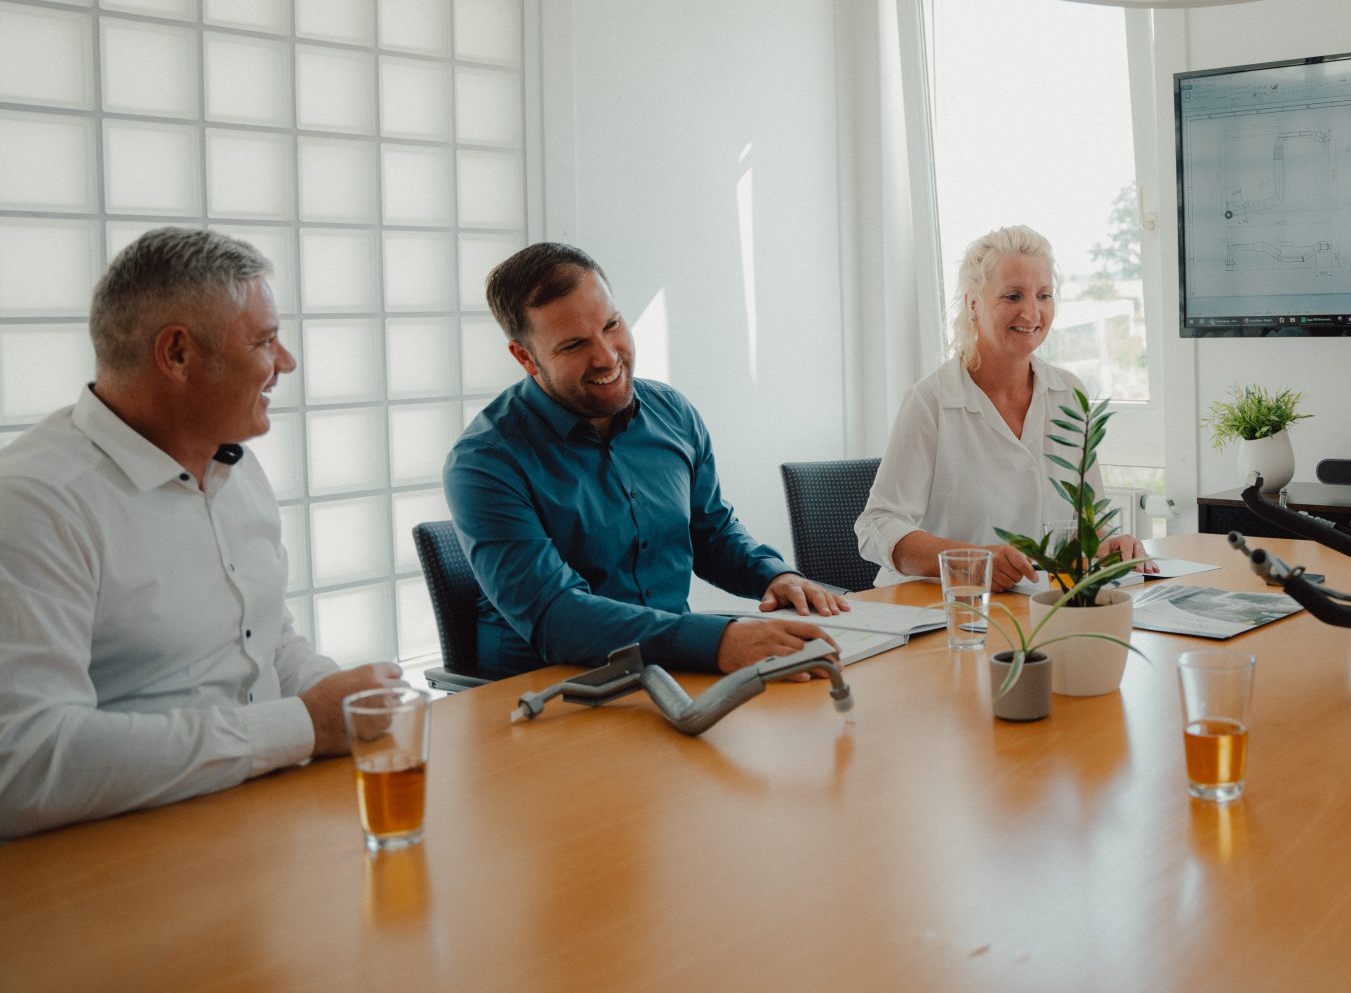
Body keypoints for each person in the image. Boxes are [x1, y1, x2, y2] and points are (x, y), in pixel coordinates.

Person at [0, 228, 398, 840]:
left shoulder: (235, 465)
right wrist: (303, 727)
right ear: (177, 355)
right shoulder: (36, 502)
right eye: (265, 342)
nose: (285, 363)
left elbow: (264, 638)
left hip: (263, 818)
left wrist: (340, 700)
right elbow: (25, 762)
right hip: (116, 857)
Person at [443, 243, 847, 680]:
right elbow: (555, 616)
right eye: (575, 345)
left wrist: (773, 575)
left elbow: (710, 530)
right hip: (549, 691)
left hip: (669, 671)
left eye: (612, 325)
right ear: (526, 358)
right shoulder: (484, 463)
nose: (606, 356)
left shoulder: (671, 411)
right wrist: (719, 642)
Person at [855, 225, 1146, 591]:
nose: (1032, 311)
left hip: (1033, 606)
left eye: (1044, 295)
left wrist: (1106, 543)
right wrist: (970, 561)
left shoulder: (1069, 393)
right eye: (1012, 296)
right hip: (939, 610)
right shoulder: (931, 401)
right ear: (972, 304)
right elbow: (877, 526)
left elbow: (1086, 516)